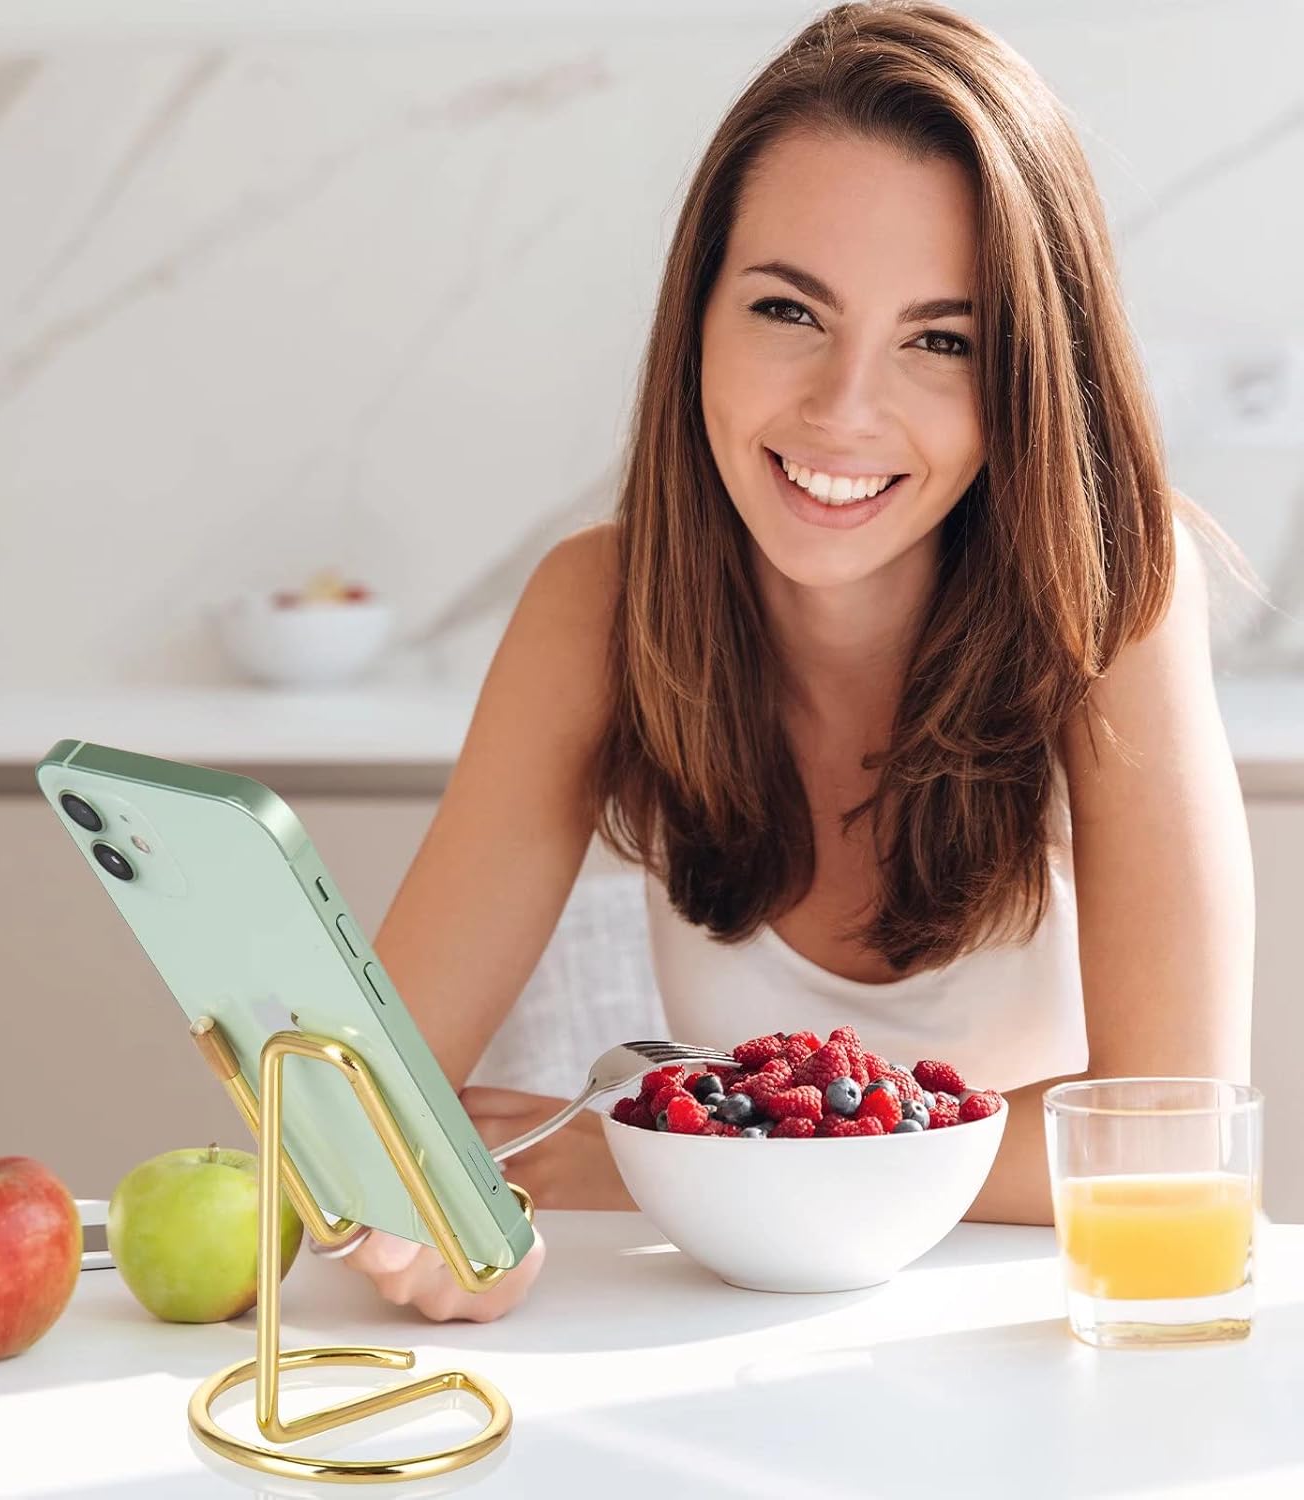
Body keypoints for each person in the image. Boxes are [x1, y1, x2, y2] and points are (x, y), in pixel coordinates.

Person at [334, 0, 1254, 1322]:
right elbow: (372, 1108)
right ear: (697, 314)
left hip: (1015, 1333)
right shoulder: (596, 605)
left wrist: (654, 1151)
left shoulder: (1111, 600)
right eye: (787, 310)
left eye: (942, 340)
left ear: (1027, 380)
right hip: (715, 1332)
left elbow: (1169, 1140)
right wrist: (418, 1213)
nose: (844, 409)